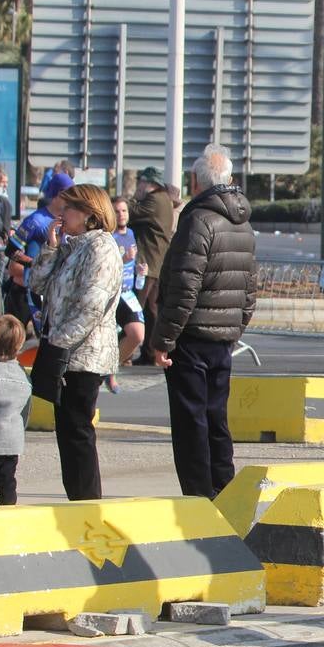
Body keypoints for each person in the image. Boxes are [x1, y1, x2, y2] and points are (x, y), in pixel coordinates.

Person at [151, 146, 257, 500]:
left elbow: (183, 286)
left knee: (190, 421)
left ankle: (198, 497)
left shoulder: (198, 220)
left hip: (192, 336)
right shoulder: (242, 223)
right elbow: (250, 287)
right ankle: (224, 491)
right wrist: (235, 328)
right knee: (215, 418)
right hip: (222, 337)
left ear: (195, 181)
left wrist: (164, 340)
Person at [28, 184, 123, 501]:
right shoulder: (73, 246)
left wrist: (58, 344)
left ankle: (86, 503)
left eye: (68, 208)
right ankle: (78, 501)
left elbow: (90, 308)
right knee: (67, 432)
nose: (61, 214)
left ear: (88, 214)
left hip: (83, 356)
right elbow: (38, 284)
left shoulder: (101, 248)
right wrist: (52, 247)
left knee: (78, 431)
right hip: (64, 352)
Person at [5, 171, 73, 332]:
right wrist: (35, 263)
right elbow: (11, 250)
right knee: (12, 345)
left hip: (54, 294)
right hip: (25, 294)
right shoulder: (36, 221)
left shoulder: (72, 221)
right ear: (59, 194)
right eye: (70, 194)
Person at [128, 166, 174, 363]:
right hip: (157, 261)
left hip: (148, 261)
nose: (139, 186)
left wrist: (132, 198)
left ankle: (127, 351)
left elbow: (131, 212)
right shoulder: (165, 199)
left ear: (148, 183)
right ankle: (149, 352)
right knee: (151, 310)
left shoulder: (154, 200)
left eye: (141, 183)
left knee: (134, 306)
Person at [0, 314, 31, 505]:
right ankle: (9, 509)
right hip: (13, 441)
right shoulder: (21, 372)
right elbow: (25, 410)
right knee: (7, 481)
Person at [106, 196, 147, 393]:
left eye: (124, 211)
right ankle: (107, 373)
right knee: (113, 335)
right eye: (116, 211)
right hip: (112, 294)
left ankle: (111, 369)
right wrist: (123, 259)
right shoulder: (108, 237)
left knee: (138, 334)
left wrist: (140, 273)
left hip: (128, 293)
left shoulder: (131, 234)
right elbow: (106, 268)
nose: (121, 215)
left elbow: (133, 266)